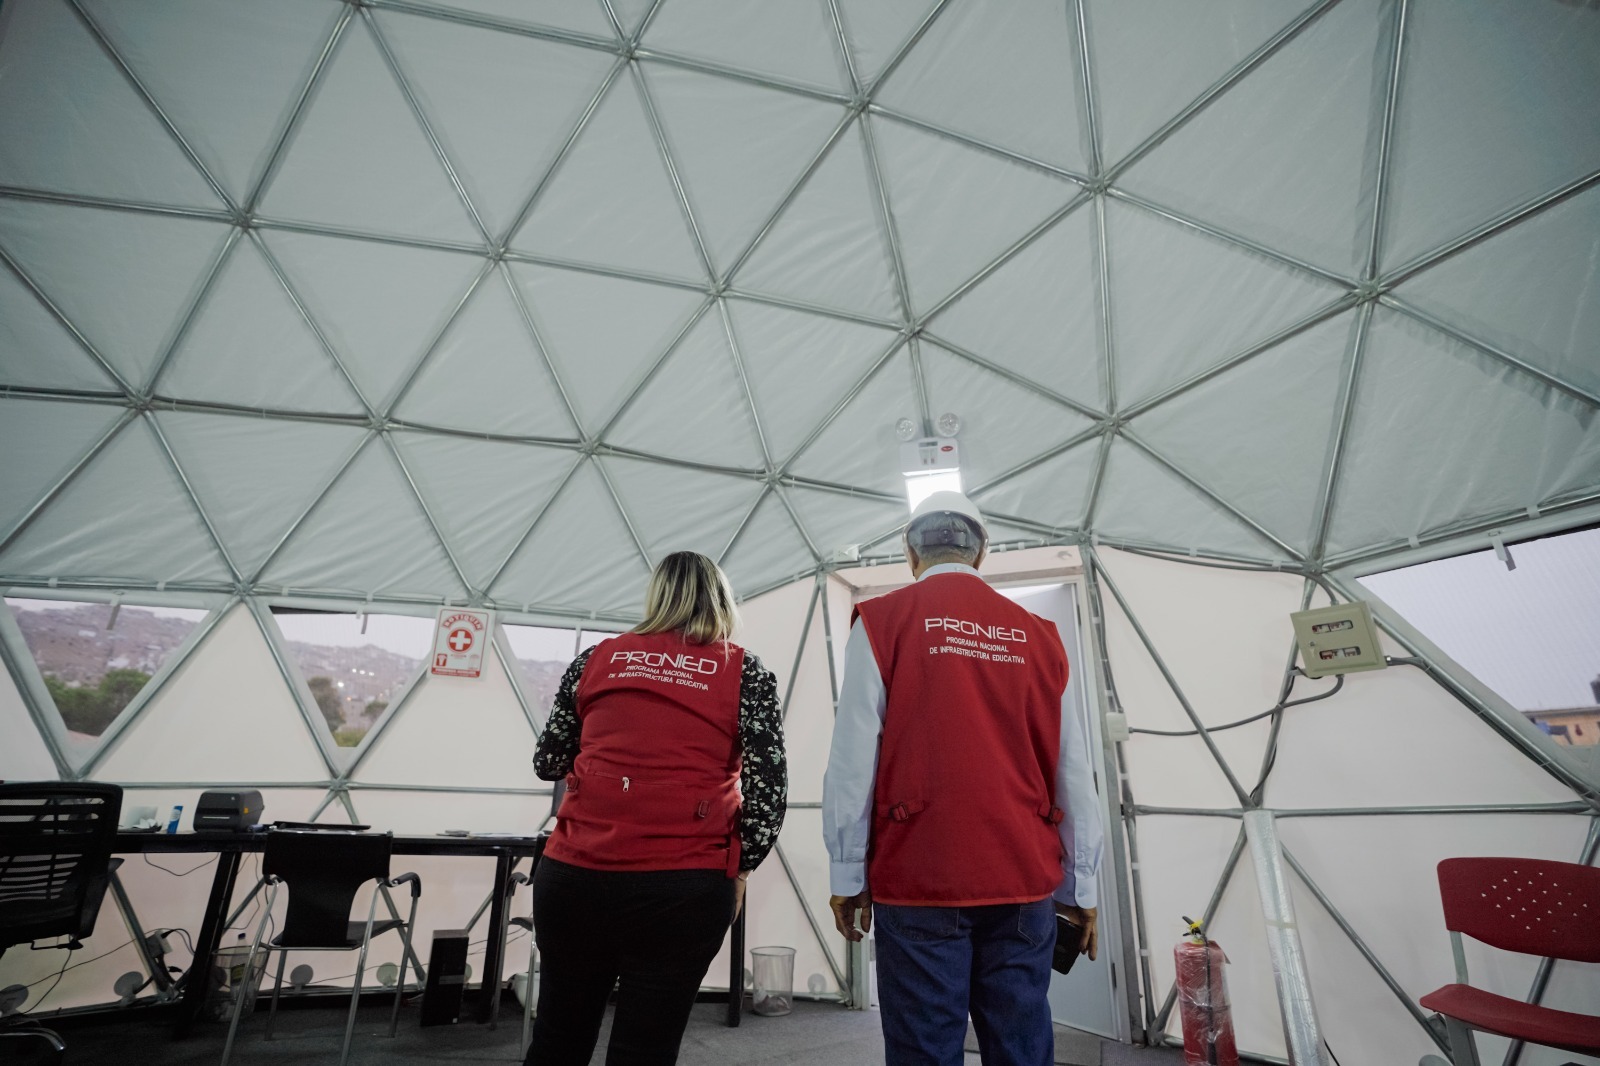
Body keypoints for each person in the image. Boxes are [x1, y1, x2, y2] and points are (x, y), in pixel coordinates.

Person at [822, 491, 1103, 1066]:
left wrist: (847, 872)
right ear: (982, 554)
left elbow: (853, 759)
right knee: (1022, 1046)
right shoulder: (1040, 635)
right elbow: (1072, 768)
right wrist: (1083, 888)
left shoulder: (881, 622)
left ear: (909, 552)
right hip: (1023, 875)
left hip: (921, 873)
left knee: (926, 1047)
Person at [526, 551, 786, 1066]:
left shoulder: (597, 659)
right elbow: (769, 796)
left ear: (657, 595)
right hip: (683, 886)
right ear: (720, 599)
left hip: (574, 877)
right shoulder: (744, 670)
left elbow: (548, 760)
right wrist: (739, 870)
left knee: (558, 1038)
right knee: (646, 1048)